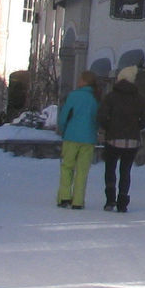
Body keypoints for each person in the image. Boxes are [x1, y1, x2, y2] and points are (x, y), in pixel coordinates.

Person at [96, 65, 145, 213]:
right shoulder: (139, 98)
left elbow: (101, 116)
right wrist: (136, 127)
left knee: (110, 169)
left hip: (113, 138)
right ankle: (123, 201)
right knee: (126, 171)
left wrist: (108, 127)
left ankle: (110, 200)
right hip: (132, 140)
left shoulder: (111, 96)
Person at [56, 70, 100, 210]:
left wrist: (63, 129)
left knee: (67, 167)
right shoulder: (95, 98)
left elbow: (64, 116)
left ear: (83, 81)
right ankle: (78, 201)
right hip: (89, 139)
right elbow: (97, 119)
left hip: (71, 136)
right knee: (82, 170)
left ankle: (64, 197)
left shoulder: (73, 96)